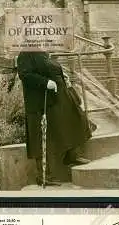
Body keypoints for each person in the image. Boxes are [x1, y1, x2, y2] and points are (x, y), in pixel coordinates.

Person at [17, 51, 94, 186]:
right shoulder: (25, 53)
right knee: (42, 135)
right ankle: (44, 176)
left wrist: (63, 78)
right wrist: (45, 82)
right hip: (41, 101)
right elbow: (25, 75)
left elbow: (49, 68)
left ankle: (72, 155)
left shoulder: (42, 51)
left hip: (58, 96)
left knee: (73, 119)